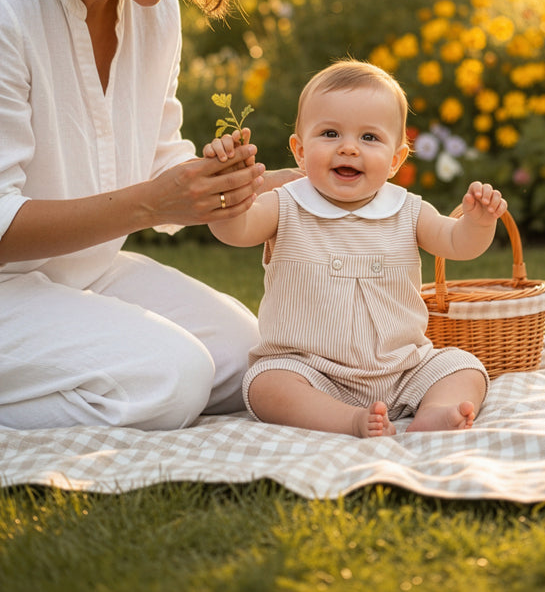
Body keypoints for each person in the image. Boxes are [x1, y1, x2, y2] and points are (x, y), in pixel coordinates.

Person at [0, 0, 297, 431]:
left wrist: (305, 183)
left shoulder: (155, 12)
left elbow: (162, 166)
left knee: (251, 359)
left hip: (81, 276)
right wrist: (152, 203)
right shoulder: (5, 7)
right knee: (172, 377)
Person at [204, 60, 507, 438]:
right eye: (330, 133)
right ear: (299, 151)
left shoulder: (408, 209)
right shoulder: (285, 205)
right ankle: (345, 420)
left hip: (403, 370)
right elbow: (236, 229)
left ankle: (436, 411)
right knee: (266, 385)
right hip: (311, 371)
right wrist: (223, 189)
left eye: (369, 138)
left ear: (396, 160)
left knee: (463, 366)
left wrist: (478, 223)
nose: (348, 148)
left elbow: (457, 243)